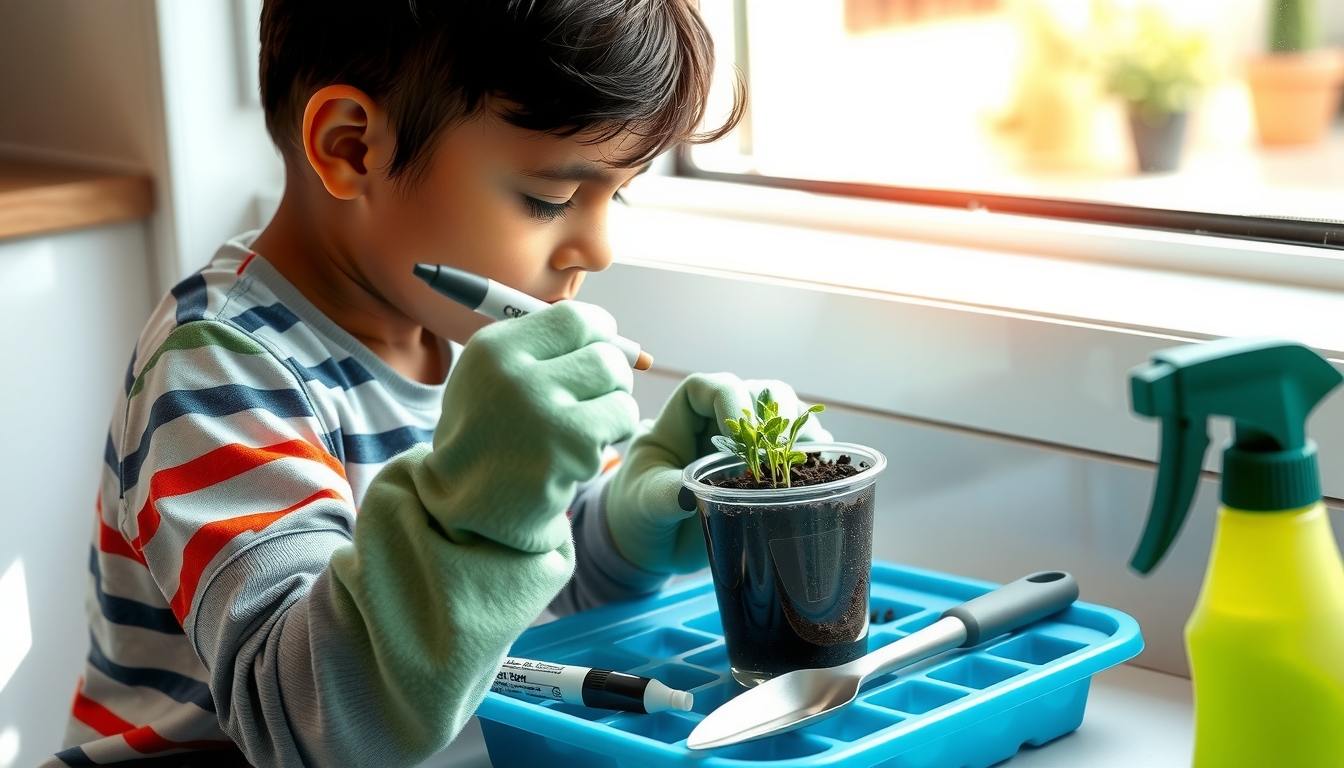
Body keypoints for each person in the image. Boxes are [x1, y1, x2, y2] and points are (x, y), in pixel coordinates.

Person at [47, 2, 830, 767]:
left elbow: (510, 593)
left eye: (616, 193)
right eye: (549, 198)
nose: (598, 246)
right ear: (353, 147)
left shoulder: (454, 326)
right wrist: (477, 510)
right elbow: (314, 724)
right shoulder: (216, 369)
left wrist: (625, 525)